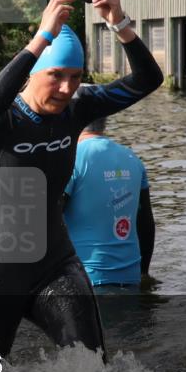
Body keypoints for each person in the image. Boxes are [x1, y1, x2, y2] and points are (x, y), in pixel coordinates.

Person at [0, 0, 163, 361]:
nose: (67, 88)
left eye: (76, 76)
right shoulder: (0, 119)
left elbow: (149, 81)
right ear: (33, 73)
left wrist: (119, 23)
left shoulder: (78, 108)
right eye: (57, 75)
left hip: (54, 263)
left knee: (94, 370)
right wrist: (42, 37)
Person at [63, 117, 157, 291]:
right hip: (130, 278)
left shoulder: (71, 158)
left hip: (85, 281)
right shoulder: (132, 158)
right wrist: (143, 273)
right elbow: (146, 223)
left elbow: (47, 219)